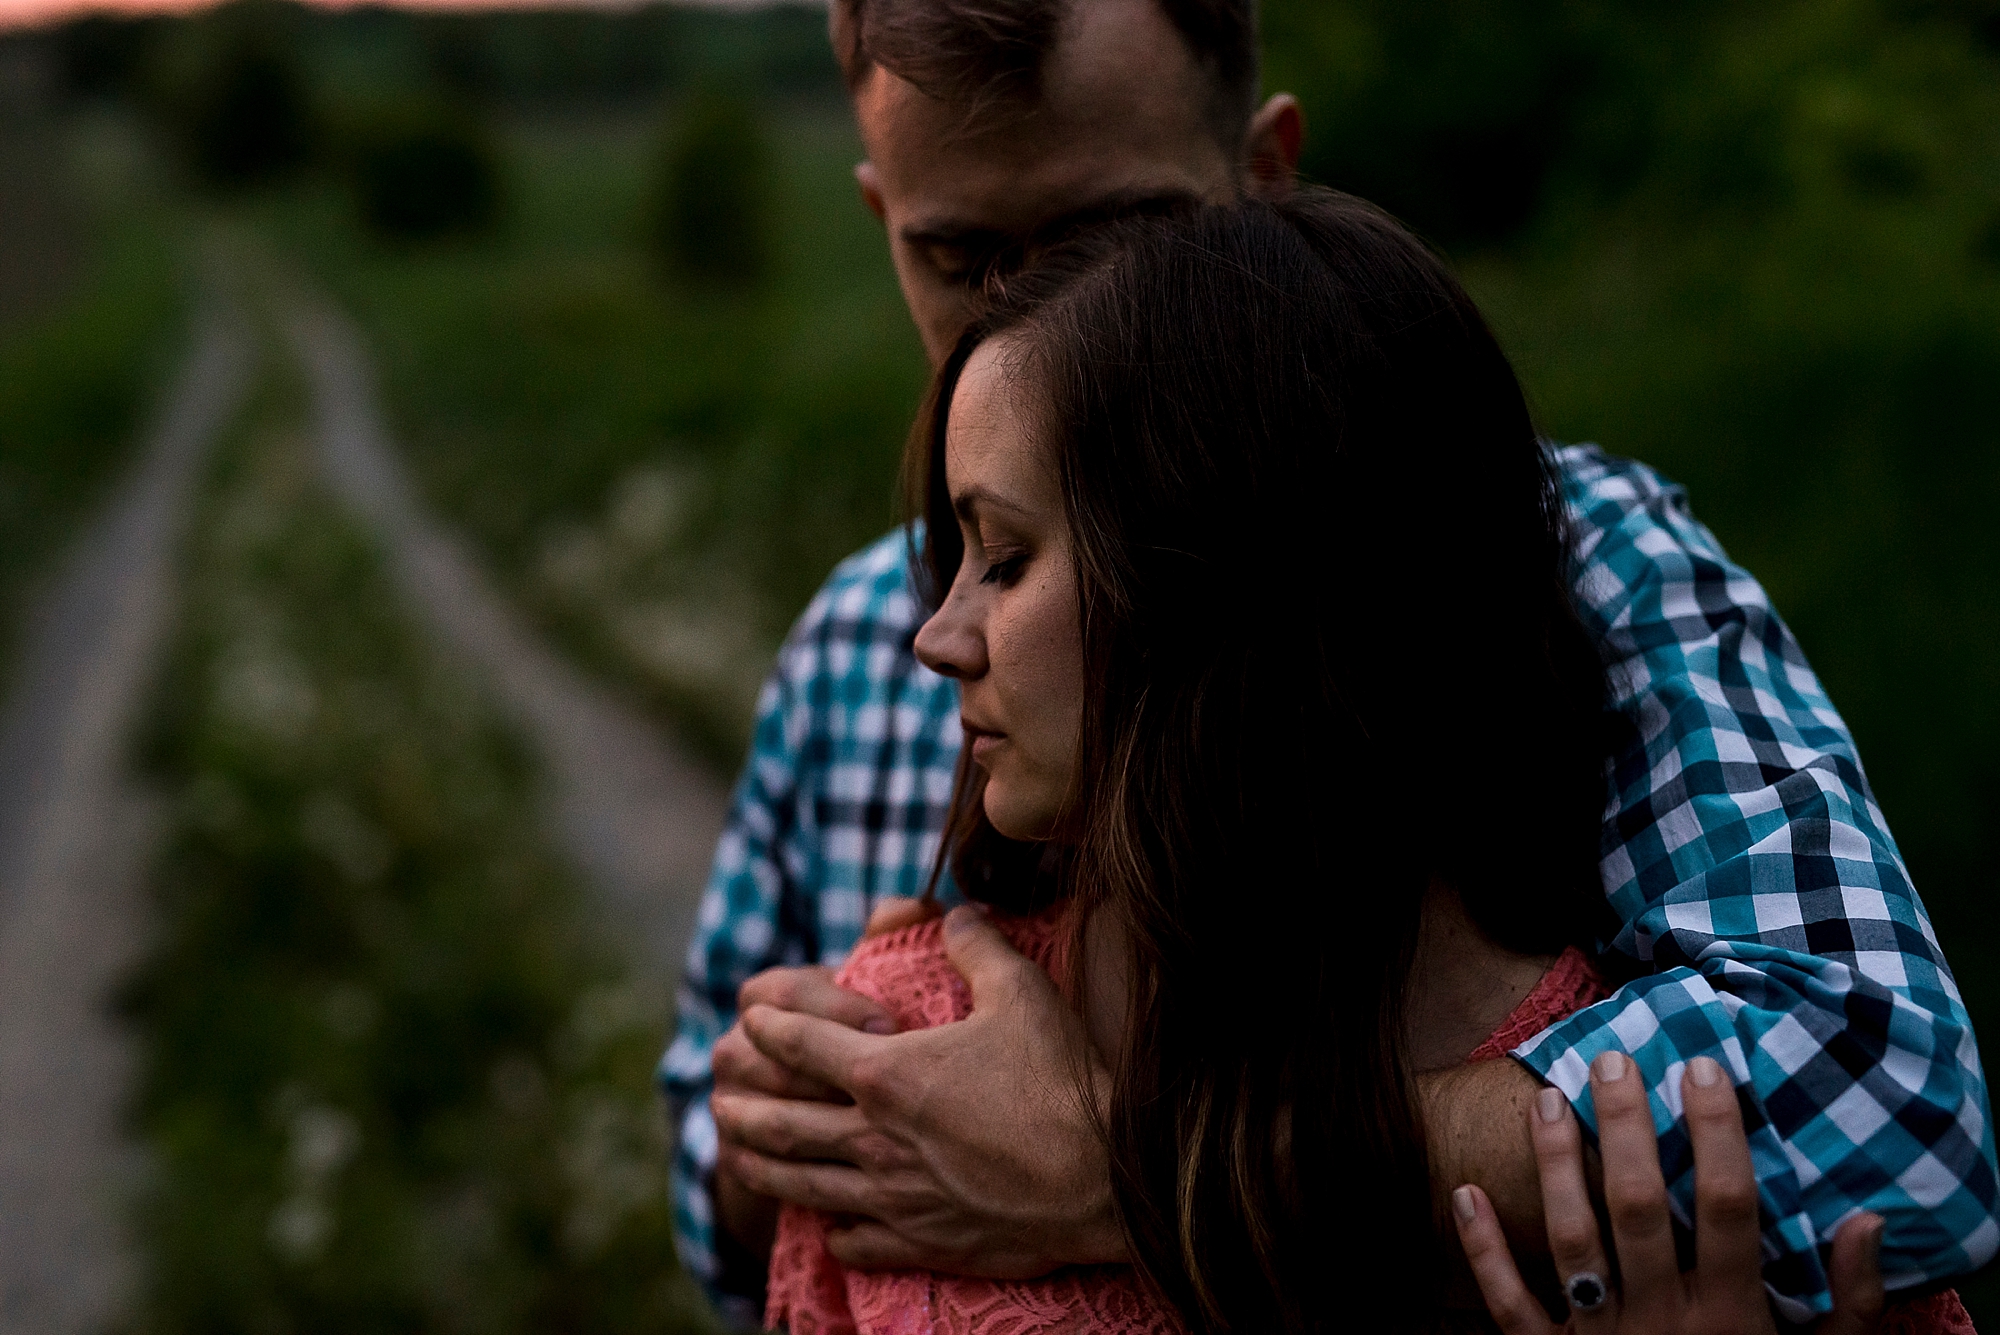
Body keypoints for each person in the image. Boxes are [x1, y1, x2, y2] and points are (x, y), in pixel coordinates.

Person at [660, 0, 1998, 1326]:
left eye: (1114, 249)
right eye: (959, 260)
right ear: (881, 216)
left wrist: (1144, 1167)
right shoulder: (853, 645)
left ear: (1266, 178)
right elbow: (708, 1192)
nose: (1031, 328)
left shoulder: (1568, 561)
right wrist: (797, 1135)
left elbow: (1886, 1112)